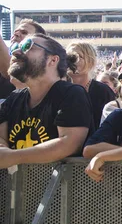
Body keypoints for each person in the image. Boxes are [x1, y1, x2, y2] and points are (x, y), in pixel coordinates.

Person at [0, 34, 93, 167]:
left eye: (27, 46)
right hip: (20, 186)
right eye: (15, 47)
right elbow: (1, 138)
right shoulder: (14, 98)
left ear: (53, 60)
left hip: (61, 186)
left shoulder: (71, 94)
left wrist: (13, 157)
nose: (15, 52)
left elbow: (69, 144)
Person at [67, 41, 115, 131]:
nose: (71, 60)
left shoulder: (103, 92)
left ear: (90, 62)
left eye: (77, 56)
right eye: (68, 56)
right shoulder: (59, 89)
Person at [0, 18, 47, 98]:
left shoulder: (40, 66)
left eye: (24, 32)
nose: (16, 34)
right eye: (15, 32)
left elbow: (10, 70)